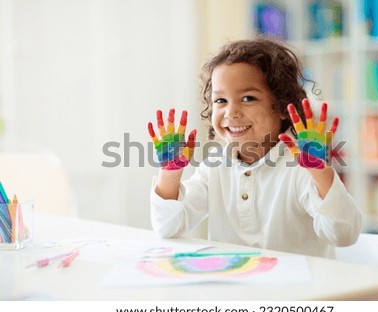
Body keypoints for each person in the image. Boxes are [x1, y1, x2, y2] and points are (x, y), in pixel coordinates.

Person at [148, 37, 362, 258]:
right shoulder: (215, 165)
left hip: (298, 290)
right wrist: (169, 175)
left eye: (248, 98)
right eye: (220, 101)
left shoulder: (300, 166)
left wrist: (321, 175)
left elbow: (344, 235)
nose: (231, 112)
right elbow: (167, 228)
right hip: (235, 285)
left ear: (281, 106)